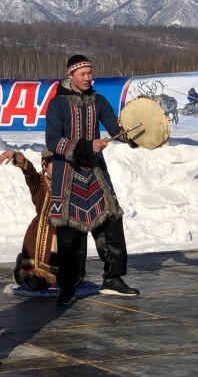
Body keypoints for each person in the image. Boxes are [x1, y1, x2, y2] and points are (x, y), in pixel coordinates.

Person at [45, 54, 139, 306]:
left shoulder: (99, 100)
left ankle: (113, 278)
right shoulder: (57, 104)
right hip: (68, 174)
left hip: (95, 172)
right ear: (70, 76)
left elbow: (115, 127)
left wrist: (133, 137)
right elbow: (52, 141)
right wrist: (88, 145)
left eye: (90, 73)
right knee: (70, 234)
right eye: (82, 74)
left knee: (111, 222)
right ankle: (67, 285)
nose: (88, 78)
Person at [0, 148, 86, 291]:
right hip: (38, 240)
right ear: (45, 165)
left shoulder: (69, 185)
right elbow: (28, 170)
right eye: (55, 165)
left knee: (69, 281)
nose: (59, 169)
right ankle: (21, 264)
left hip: (62, 239)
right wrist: (15, 155)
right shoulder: (39, 182)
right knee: (35, 285)